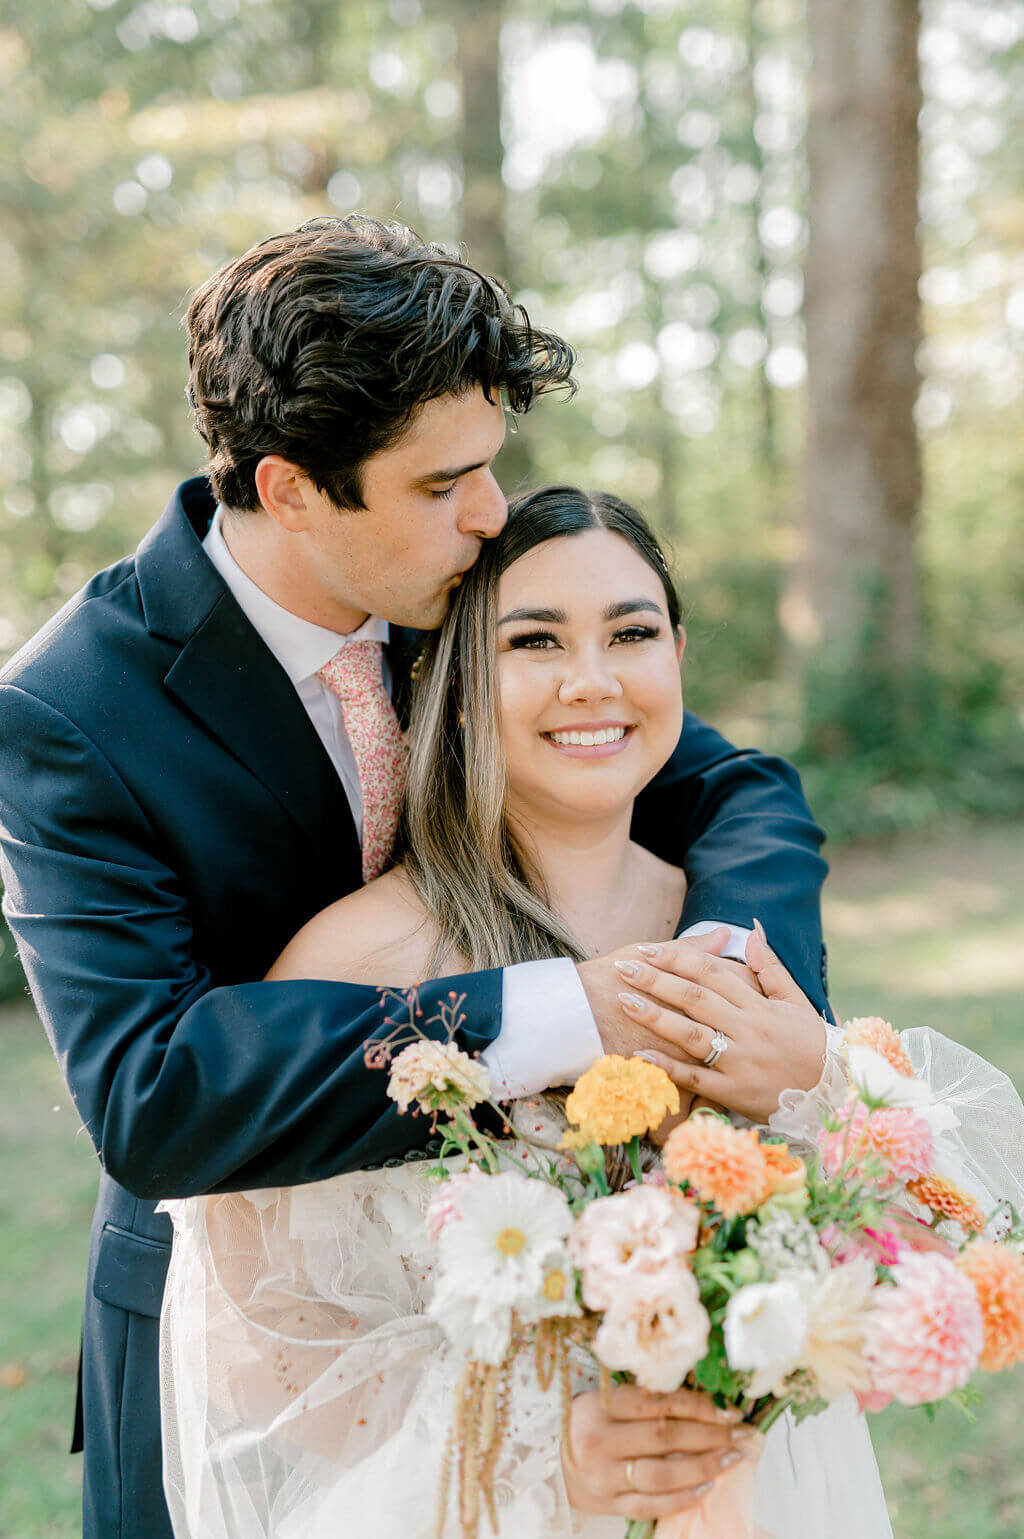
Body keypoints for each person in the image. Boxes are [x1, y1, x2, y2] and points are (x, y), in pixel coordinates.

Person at [0, 217, 830, 1539]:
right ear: (290, 491)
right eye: (446, 482)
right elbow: (152, 1089)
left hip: (524, 1281)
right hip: (247, 1336)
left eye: (491, 467)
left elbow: (727, 785)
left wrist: (730, 986)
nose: (491, 513)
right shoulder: (69, 709)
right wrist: (570, 1010)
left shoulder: (461, 589)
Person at [159, 486, 890, 1538]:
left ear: (677, 654)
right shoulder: (358, 959)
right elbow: (248, 1343)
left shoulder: (734, 939)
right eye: (534, 641)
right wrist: (533, 1450)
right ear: (454, 688)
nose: (590, 683)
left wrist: (816, 1086)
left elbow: (890, 1219)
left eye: (630, 633)